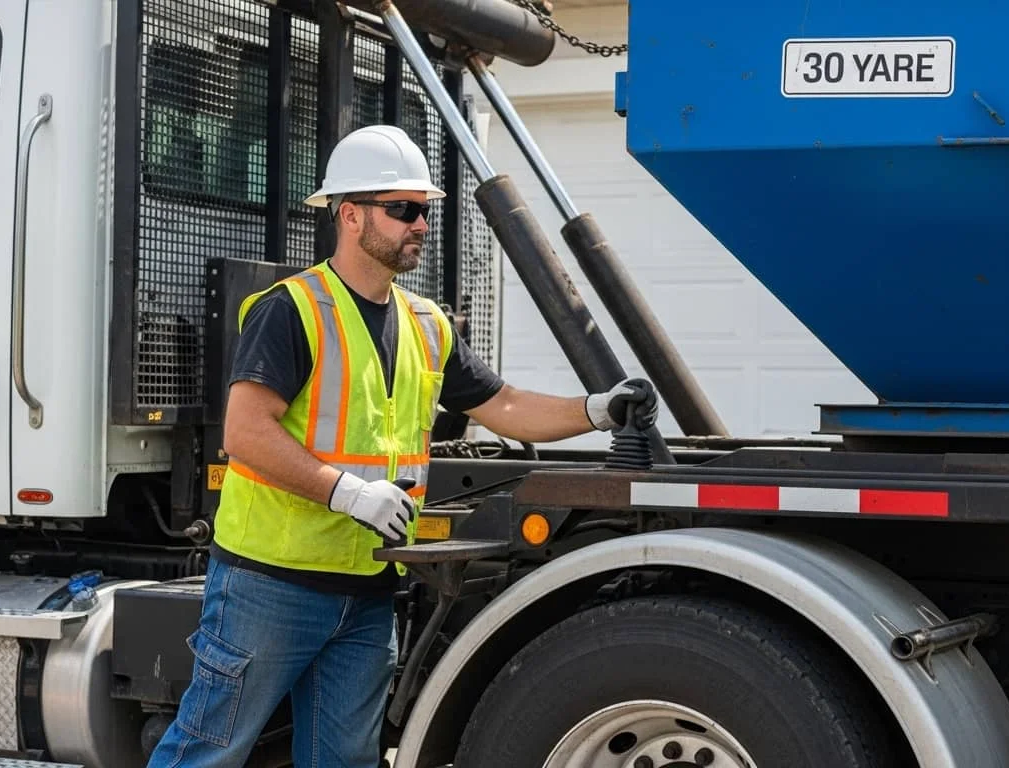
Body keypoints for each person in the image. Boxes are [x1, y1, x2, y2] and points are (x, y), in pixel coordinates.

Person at [145, 124, 659, 768]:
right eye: (404, 210)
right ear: (351, 215)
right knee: (207, 754)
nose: (420, 225)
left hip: (367, 589)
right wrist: (349, 491)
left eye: (426, 211)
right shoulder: (291, 309)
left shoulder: (426, 322)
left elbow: (502, 407)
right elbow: (245, 435)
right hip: (269, 586)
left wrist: (595, 410)